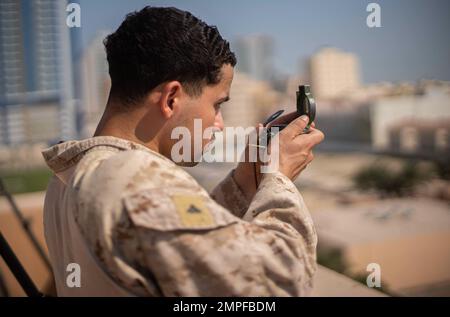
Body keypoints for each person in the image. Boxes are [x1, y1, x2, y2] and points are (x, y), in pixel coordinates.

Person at [42, 6, 324, 296]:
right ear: (172, 98)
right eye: (217, 105)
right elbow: (280, 284)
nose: (219, 125)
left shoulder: (66, 176)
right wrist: (279, 178)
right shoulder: (135, 179)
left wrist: (245, 183)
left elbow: (178, 246)